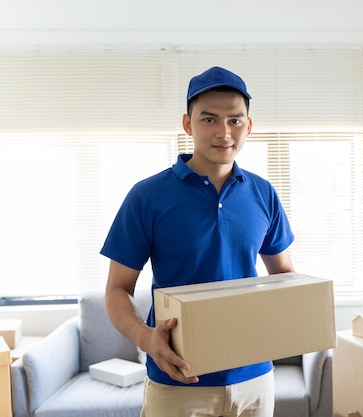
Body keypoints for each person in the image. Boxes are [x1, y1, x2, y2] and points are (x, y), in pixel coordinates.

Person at [100, 66, 295, 417]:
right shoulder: (147, 196)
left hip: (255, 379)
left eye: (235, 120)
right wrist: (146, 339)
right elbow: (117, 290)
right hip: (179, 380)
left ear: (248, 126)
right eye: (209, 119)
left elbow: (283, 275)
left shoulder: (263, 193)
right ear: (188, 124)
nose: (224, 132)